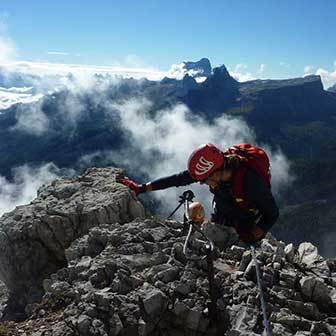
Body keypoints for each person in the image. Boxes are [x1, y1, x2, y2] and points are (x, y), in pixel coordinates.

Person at [117, 143, 279, 244]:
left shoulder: (251, 183)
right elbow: (177, 179)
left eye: (204, 179)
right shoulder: (214, 169)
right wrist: (141, 188)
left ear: (215, 172)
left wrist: (254, 235)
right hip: (222, 212)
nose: (202, 182)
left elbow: (272, 213)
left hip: (245, 218)